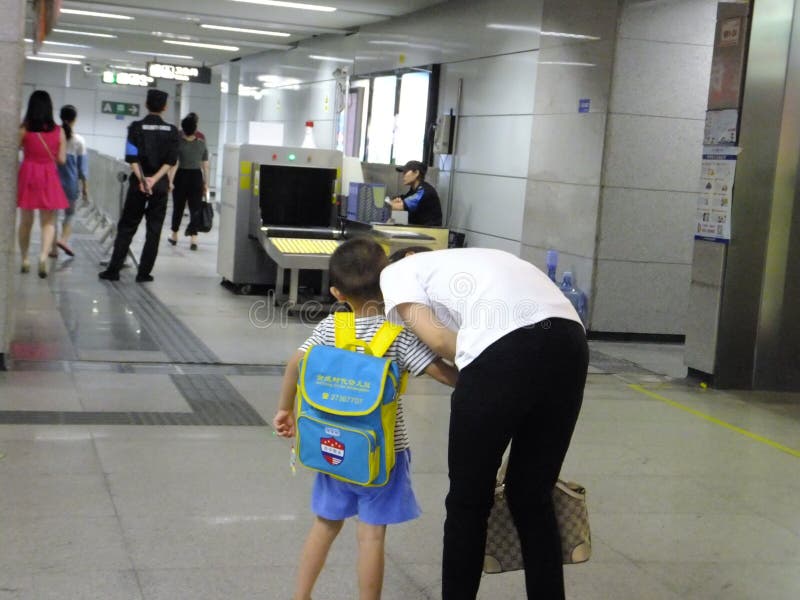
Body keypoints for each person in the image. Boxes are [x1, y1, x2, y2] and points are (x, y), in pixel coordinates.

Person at [380, 247, 589, 600]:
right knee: (532, 494)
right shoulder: (478, 258)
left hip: (505, 349)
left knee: (468, 501)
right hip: (570, 341)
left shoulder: (399, 270)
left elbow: (440, 339)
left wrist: (488, 386)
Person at [273, 238, 458, 600]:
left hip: (332, 447)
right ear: (388, 281)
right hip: (383, 455)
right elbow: (442, 373)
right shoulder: (398, 335)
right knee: (371, 535)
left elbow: (295, 362)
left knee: (325, 525)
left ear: (336, 293)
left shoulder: (329, 328)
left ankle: (300, 596)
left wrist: (285, 408)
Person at [99, 89, 179, 283]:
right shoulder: (172, 131)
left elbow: (132, 157)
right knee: (154, 229)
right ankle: (143, 273)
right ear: (165, 107)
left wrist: (143, 179)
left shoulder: (135, 127)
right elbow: (171, 160)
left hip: (138, 185)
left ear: (146, 104)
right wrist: (155, 179)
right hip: (159, 186)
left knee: (127, 226)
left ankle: (114, 270)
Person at [17, 90, 69, 278]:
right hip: (48, 175)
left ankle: (24, 258)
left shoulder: (24, 129)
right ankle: (43, 256)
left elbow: (13, 148)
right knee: (48, 221)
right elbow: (62, 159)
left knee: (25, 220)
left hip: (28, 173)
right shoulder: (59, 131)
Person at [167, 115, 209, 251]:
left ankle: (174, 235)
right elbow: (206, 166)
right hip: (196, 177)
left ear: (183, 129)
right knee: (195, 208)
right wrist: (206, 183)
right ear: (195, 129)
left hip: (181, 176)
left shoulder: (178, 144)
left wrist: (170, 181)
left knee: (178, 207)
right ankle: (193, 239)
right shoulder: (202, 144)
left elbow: (174, 164)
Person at [52, 104, 89, 258]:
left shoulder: (53, 136)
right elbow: (82, 169)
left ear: (61, 117)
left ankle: (52, 249)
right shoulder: (79, 140)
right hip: (70, 183)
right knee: (70, 214)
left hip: (53, 182)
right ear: (75, 119)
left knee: (51, 216)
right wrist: (85, 188)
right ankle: (64, 240)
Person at [387, 160, 442, 226]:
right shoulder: (413, 191)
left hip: (430, 233)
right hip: (418, 231)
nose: (403, 175)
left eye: (405, 172)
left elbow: (398, 207)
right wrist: (395, 202)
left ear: (416, 173)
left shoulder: (424, 191)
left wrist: (395, 204)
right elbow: (397, 203)